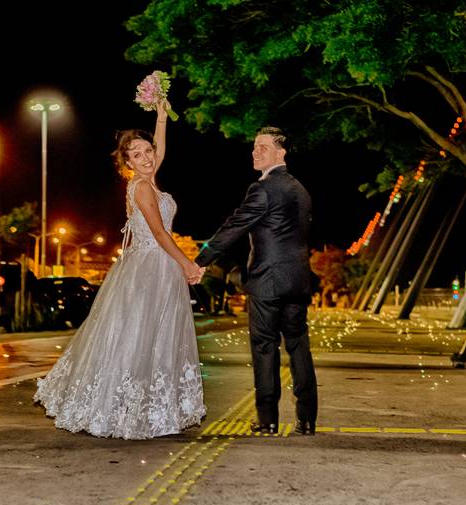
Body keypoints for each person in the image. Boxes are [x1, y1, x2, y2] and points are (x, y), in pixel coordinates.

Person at [33, 101, 206, 440]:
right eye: (137, 154)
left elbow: (161, 146)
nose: (146, 157)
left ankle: (149, 409)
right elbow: (159, 233)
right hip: (149, 269)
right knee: (135, 339)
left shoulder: (151, 180)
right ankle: (118, 409)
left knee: (155, 340)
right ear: (127, 162)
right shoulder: (140, 186)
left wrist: (160, 114)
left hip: (159, 268)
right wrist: (186, 262)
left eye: (148, 151)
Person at [195, 127, 318, 435]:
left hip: (267, 281)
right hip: (298, 280)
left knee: (264, 348)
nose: (255, 152)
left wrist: (198, 261)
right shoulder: (301, 190)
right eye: (254, 147)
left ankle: (267, 420)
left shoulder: (262, 189)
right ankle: (306, 419)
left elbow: (233, 227)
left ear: (281, 152)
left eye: (263, 147)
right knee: (299, 347)